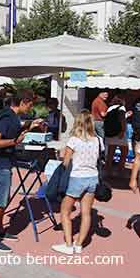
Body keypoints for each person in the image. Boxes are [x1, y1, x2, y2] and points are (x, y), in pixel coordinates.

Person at [0, 92, 39, 253]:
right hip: (0, 165)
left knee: (3, 200)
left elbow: (12, 130)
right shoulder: (9, 118)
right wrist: (15, 142)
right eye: (31, 105)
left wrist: (29, 126)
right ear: (23, 102)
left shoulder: (9, 115)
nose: (32, 108)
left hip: (2, 163)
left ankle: (0, 230)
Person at [52, 110, 102, 255]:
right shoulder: (97, 139)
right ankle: (79, 244)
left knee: (65, 211)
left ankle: (68, 245)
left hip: (77, 178)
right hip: (93, 177)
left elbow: (66, 162)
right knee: (86, 213)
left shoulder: (74, 140)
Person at [104, 96, 129, 177]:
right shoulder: (122, 108)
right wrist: (123, 130)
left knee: (111, 153)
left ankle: (108, 171)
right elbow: (122, 119)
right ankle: (120, 171)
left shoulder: (110, 108)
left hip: (110, 133)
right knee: (124, 152)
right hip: (119, 133)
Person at [129, 97, 140, 199]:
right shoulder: (136, 100)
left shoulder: (136, 101)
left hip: (137, 131)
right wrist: (133, 179)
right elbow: (138, 158)